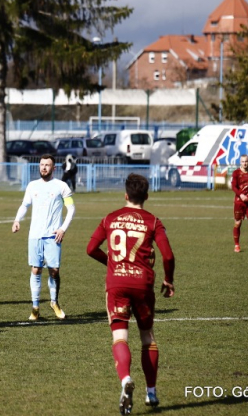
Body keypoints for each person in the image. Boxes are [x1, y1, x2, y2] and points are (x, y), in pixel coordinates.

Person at [86, 173, 175, 414]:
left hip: (117, 285)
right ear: (146, 196)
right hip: (143, 285)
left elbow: (90, 248)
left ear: (125, 195)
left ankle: (125, 379)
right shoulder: (153, 221)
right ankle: (152, 391)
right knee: (147, 337)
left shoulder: (110, 218)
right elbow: (167, 255)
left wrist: (112, 263)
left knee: (120, 337)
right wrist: (168, 280)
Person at [11, 154, 75, 321]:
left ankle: (54, 302)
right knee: (36, 269)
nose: (44, 167)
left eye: (47, 165)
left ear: (54, 168)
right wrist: (17, 220)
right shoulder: (32, 186)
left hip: (53, 236)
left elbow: (71, 209)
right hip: (35, 236)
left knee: (54, 271)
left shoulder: (61, 186)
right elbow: (25, 205)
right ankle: (35, 307)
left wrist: (62, 229)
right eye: (41, 165)